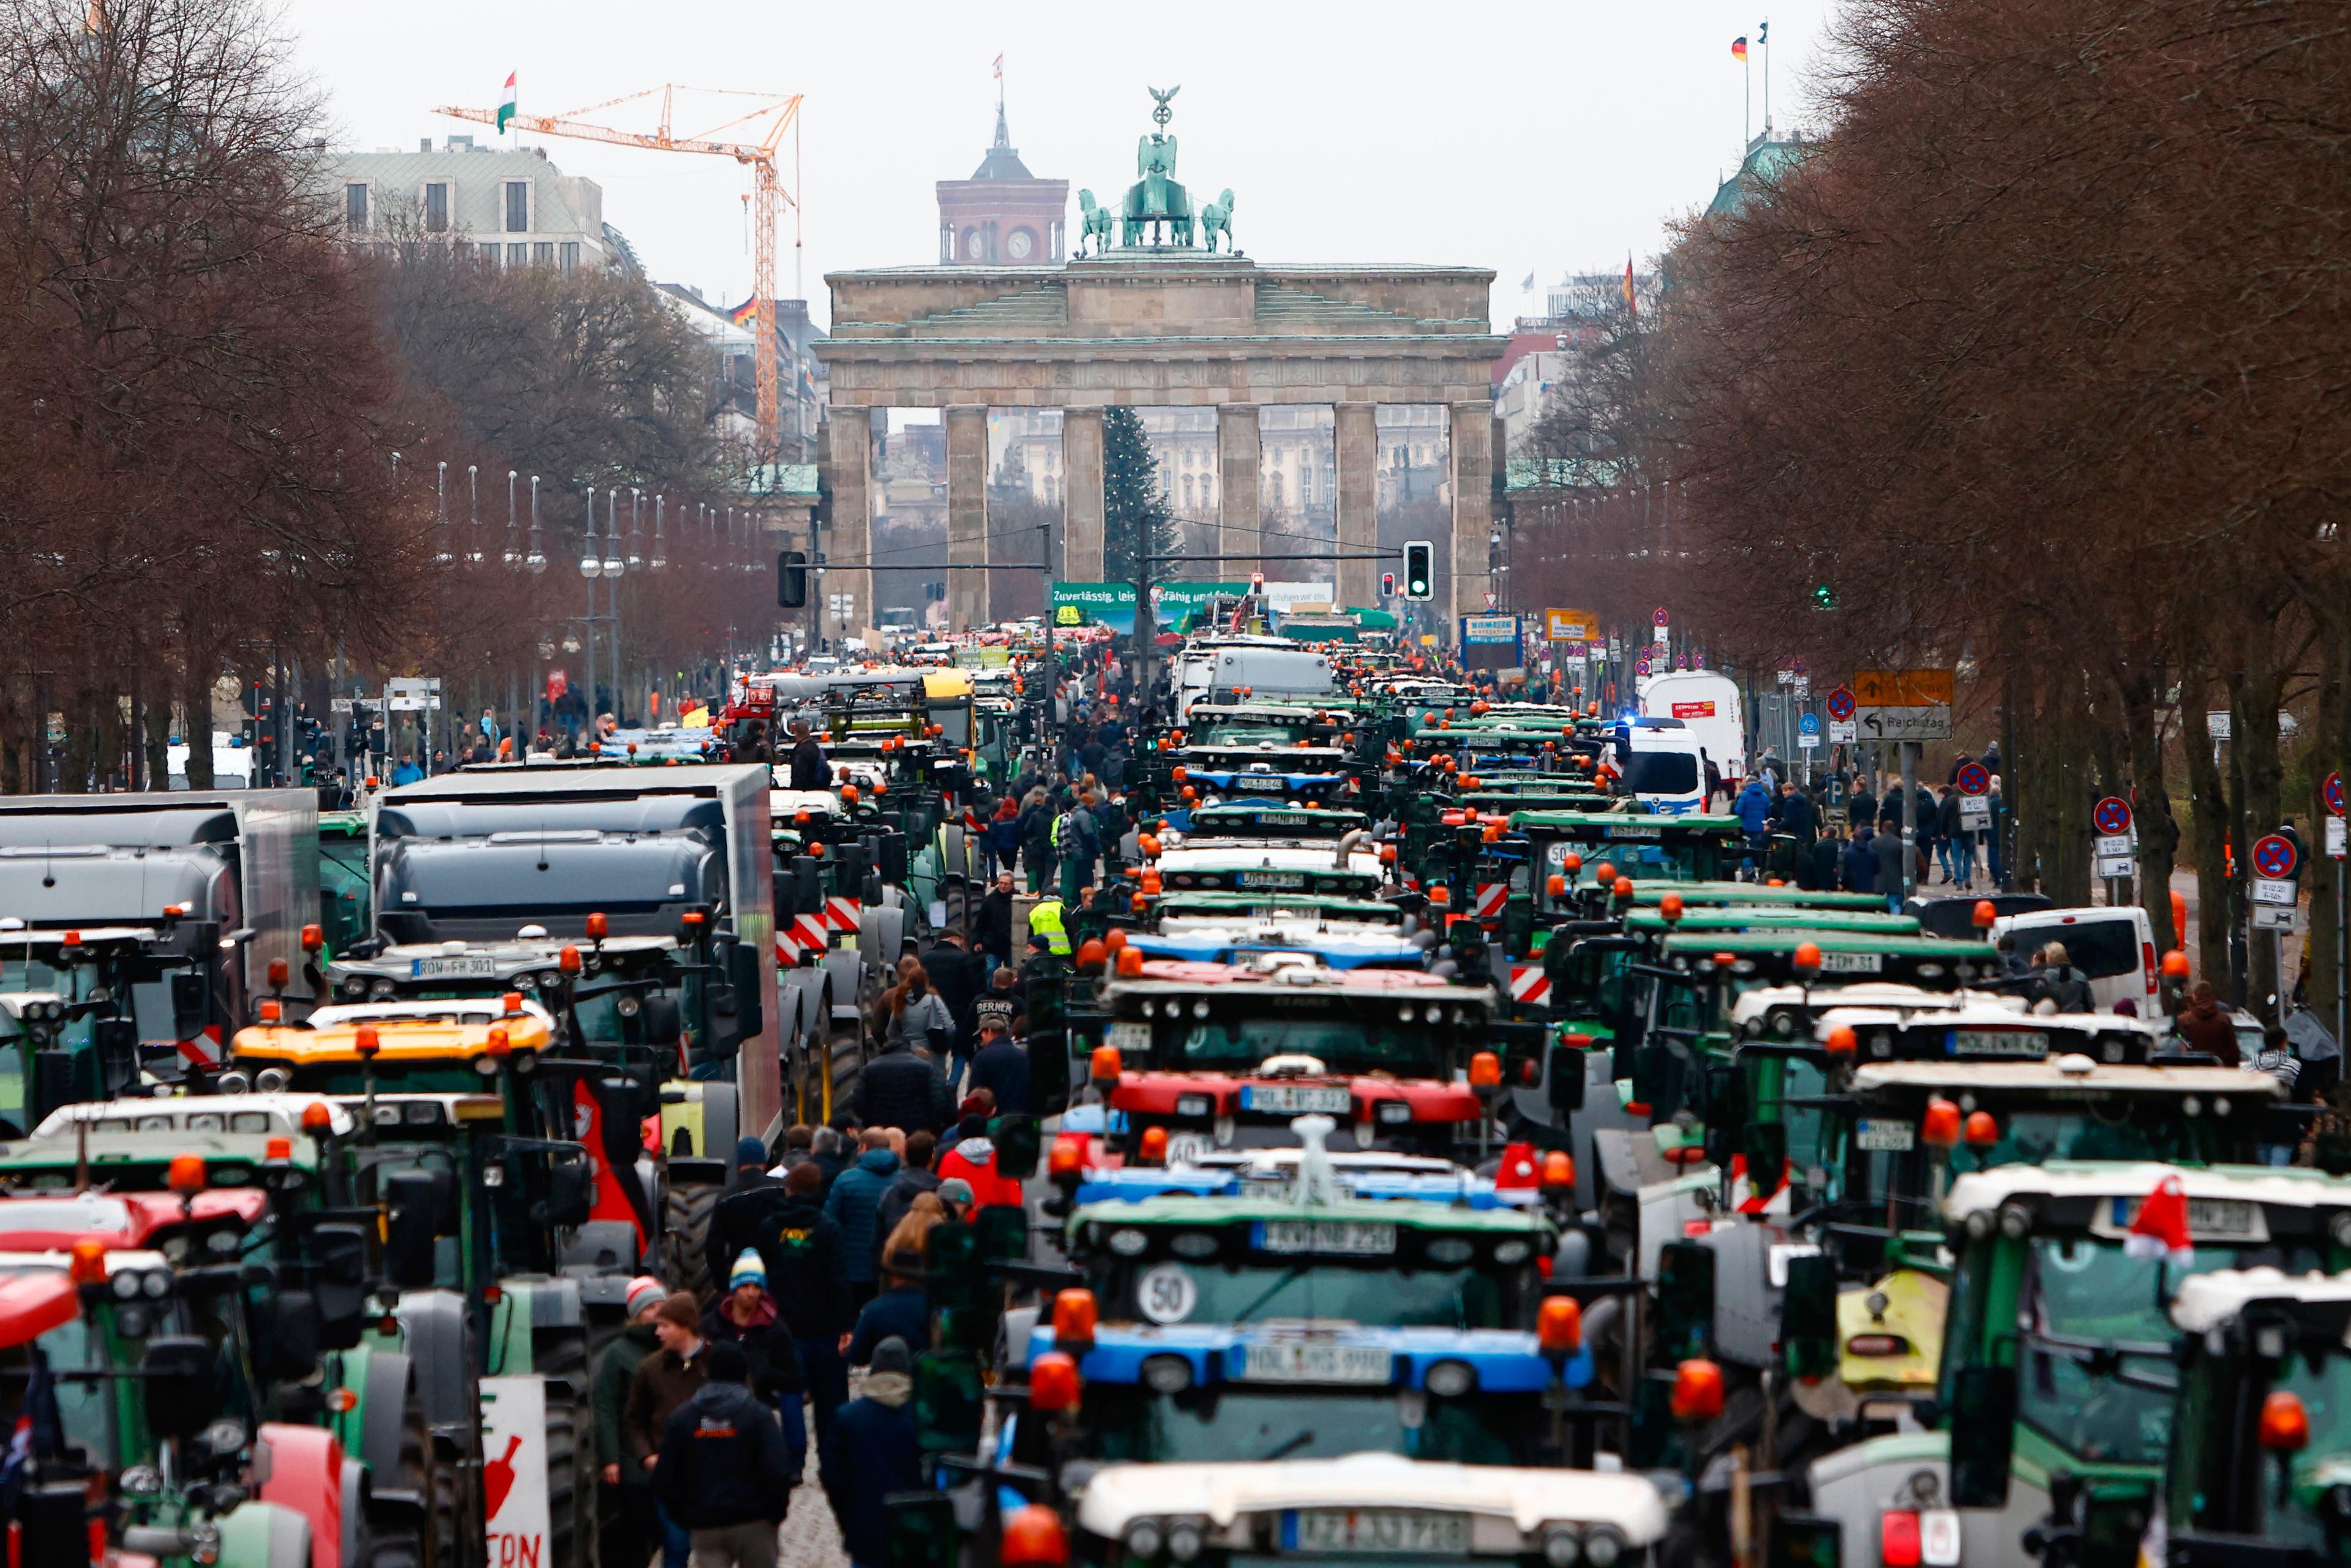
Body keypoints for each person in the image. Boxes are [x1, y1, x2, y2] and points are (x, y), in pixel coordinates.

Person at [651, 1340, 798, 1568]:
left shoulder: (684, 1418)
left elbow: (665, 1477)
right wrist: (775, 1514)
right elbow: (778, 1471)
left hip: (706, 1527)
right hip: (755, 1523)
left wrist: (687, 1518)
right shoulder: (758, 1415)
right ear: (743, 1371)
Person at [761, 1163, 854, 1447]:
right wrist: (846, 1325)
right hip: (825, 1327)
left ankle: (794, 1459)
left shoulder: (769, 1228)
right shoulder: (828, 1228)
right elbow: (839, 1279)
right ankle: (832, 1454)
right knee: (831, 1397)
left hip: (784, 1326)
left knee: (790, 1394)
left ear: (789, 1190)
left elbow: (762, 1274)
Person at [624, 1294, 713, 1568]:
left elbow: (744, 1411)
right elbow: (633, 1419)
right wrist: (648, 1456)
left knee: (715, 1551)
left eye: (665, 1326)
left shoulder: (718, 1361)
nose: (657, 1332)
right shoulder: (650, 1369)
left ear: (684, 1326)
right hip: (670, 1478)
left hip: (714, 1475)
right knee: (676, 1546)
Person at [821, 1336, 923, 1568]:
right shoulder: (923, 1418)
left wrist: (848, 1519)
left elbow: (831, 1475)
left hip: (865, 1533)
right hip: (915, 1534)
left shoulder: (848, 1418)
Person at [594, 1276, 668, 1568]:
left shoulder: (673, 1349)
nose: (657, 1312)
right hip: (633, 1464)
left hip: (669, 1460)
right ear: (636, 1314)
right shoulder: (618, 1354)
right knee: (637, 1535)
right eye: (650, 1307)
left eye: (662, 1305)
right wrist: (610, 1458)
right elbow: (606, 1407)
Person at [700, 1251, 807, 1434]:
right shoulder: (711, 1325)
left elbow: (795, 1379)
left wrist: (767, 1376)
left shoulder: (776, 1330)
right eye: (745, 1286)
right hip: (717, 1414)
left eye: (757, 1287)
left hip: (758, 1415)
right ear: (734, 1287)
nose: (751, 1293)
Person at [847, 1204, 940, 1362]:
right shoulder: (933, 1309)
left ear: (891, 1274)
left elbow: (857, 1356)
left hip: (885, 1379)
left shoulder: (873, 1310)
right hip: (923, 1379)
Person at [823, 1130, 902, 1307]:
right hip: (889, 1268)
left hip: (852, 1268)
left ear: (864, 1147)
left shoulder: (845, 1180)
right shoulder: (902, 1180)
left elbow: (829, 1222)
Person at [703, 1136, 787, 1290]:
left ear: (739, 1164)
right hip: (779, 1278)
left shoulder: (726, 1199)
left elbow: (713, 1248)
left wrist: (724, 1285)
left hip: (743, 1281)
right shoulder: (781, 1190)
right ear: (764, 1162)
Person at [852, 1027, 951, 1135]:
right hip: (917, 1132)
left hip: (882, 1131)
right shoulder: (924, 1067)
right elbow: (938, 1101)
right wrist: (932, 1126)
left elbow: (858, 1102)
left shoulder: (869, 1069)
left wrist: (870, 1123)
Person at [919, 930, 983, 1071]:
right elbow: (971, 987)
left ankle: (937, 1081)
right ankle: (953, 1084)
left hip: (932, 1013)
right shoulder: (964, 958)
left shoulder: (925, 958)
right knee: (960, 1053)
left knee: (934, 1052)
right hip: (959, 1014)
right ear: (953, 939)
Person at [871, 1130, 942, 1254]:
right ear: (932, 1158)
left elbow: (878, 1239)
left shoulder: (890, 1192)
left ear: (905, 1156)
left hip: (896, 1264)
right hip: (931, 1266)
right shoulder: (941, 1193)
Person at [967, 1021, 1032, 1117]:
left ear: (989, 1031)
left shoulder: (982, 1057)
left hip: (993, 1120)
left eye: (982, 1035)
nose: (981, 1041)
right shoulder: (1023, 1056)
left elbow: (974, 1095)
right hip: (1021, 1117)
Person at [2175, 980, 2240, 1064]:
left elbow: (2177, 1047)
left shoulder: (2184, 1020)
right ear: (2211, 997)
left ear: (2195, 997)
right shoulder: (2224, 1020)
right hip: (2220, 1073)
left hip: (2191, 1072)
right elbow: (2233, 1054)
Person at [2029, 943, 2096, 1014]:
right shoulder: (2081, 976)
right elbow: (2090, 1004)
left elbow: (2036, 1002)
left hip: (2056, 1021)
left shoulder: (2045, 978)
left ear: (2049, 958)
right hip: (2079, 1019)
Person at [1870, 819, 1908, 910]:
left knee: (1876, 906)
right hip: (1896, 880)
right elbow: (1904, 863)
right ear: (1894, 829)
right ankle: (1896, 921)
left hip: (1878, 880)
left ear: (1883, 828)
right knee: (1895, 905)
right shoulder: (1900, 843)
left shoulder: (1874, 843)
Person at [788, 718, 831, 791]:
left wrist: (795, 792)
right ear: (809, 732)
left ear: (796, 733)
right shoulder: (814, 747)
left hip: (806, 791)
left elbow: (799, 776)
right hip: (818, 788)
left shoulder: (801, 752)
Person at [1840, 823, 1877, 895]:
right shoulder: (1873, 852)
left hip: (1853, 888)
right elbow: (1877, 869)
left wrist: (1843, 884)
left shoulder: (1849, 853)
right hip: (1870, 887)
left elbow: (1846, 871)